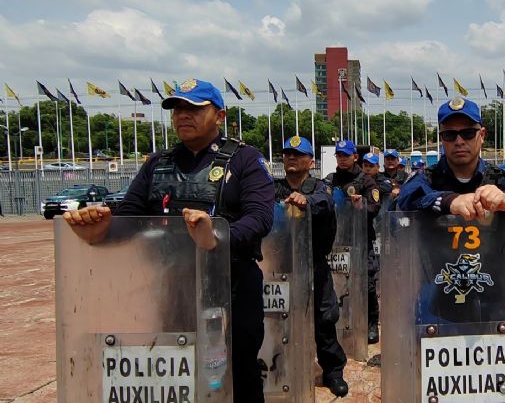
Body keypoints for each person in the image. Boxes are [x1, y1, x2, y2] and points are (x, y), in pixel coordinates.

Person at [62, 79, 274, 402]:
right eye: (177, 108)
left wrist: (216, 236)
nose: (182, 115)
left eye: (193, 108)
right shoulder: (157, 165)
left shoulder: (245, 160)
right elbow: (129, 218)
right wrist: (100, 231)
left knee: (240, 371)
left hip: (234, 287)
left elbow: (260, 218)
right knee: (180, 366)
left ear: (220, 115)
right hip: (175, 287)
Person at [273, 136, 348, 397]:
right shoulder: (273, 188)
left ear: (310, 161)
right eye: (287, 154)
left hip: (314, 263)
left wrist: (306, 201)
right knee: (276, 319)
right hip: (279, 265)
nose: (291, 158)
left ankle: (333, 371)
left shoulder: (320, 187)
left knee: (325, 318)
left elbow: (325, 203)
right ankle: (277, 368)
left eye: (298, 154)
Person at [396, 97, 505, 217]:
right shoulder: (427, 178)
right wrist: (449, 201)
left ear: (482, 135)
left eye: (468, 133)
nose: (459, 142)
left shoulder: (498, 177)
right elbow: (408, 196)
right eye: (450, 135)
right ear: (441, 139)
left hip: (493, 253)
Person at [324, 140, 382, 344]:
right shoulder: (330, 180)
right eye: (339, 155)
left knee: (366, 283)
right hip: (337, 239)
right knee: (336, 282)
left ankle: (371, 323)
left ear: (355, 157)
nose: (342, 158)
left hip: (361, 239)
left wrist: (361, 206)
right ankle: (341, 322)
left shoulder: (365, 180)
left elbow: (375, 206)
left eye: (346, 155)